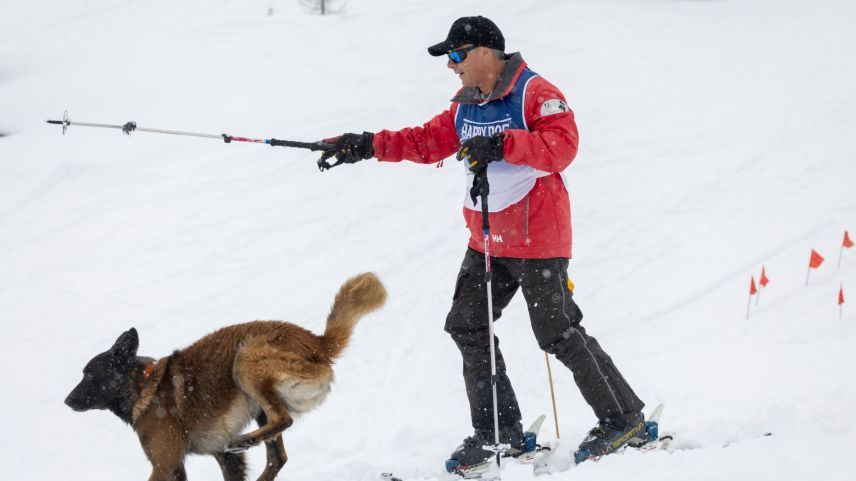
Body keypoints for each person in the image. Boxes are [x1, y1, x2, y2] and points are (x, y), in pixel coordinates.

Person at [319, 15, 646, 469]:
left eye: (456, 54)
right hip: (488, 239)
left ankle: (624, 419)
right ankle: (499, 433)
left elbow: (562, 147)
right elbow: (426, 141)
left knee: (557, 332)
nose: (451, 65)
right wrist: (367, 144)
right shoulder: (465, 105)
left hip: (537, 238)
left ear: (486, 53)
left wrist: (504, 144)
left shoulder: (535, 92)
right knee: (466, 325)